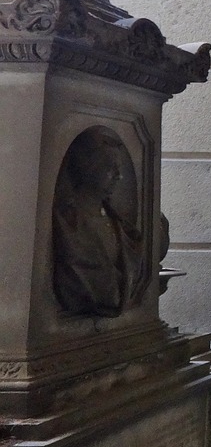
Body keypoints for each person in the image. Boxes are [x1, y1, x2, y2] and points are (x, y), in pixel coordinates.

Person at [52, 127, 146, 317]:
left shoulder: (118, 223)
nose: (119, 176)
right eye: (110, 168)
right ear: (89, 168)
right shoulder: (68, 222)